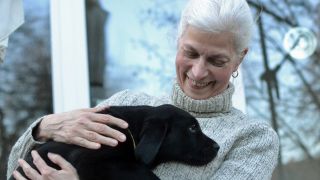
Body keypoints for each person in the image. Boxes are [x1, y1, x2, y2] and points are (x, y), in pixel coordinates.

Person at [7, 0, 280, 179]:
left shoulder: (252, 138)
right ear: (178, 43)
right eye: (191, 53)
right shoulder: (128, 102)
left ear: (239, 59)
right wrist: (44, 127)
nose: (198, 72)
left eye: (216, 60)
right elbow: (14, 171)